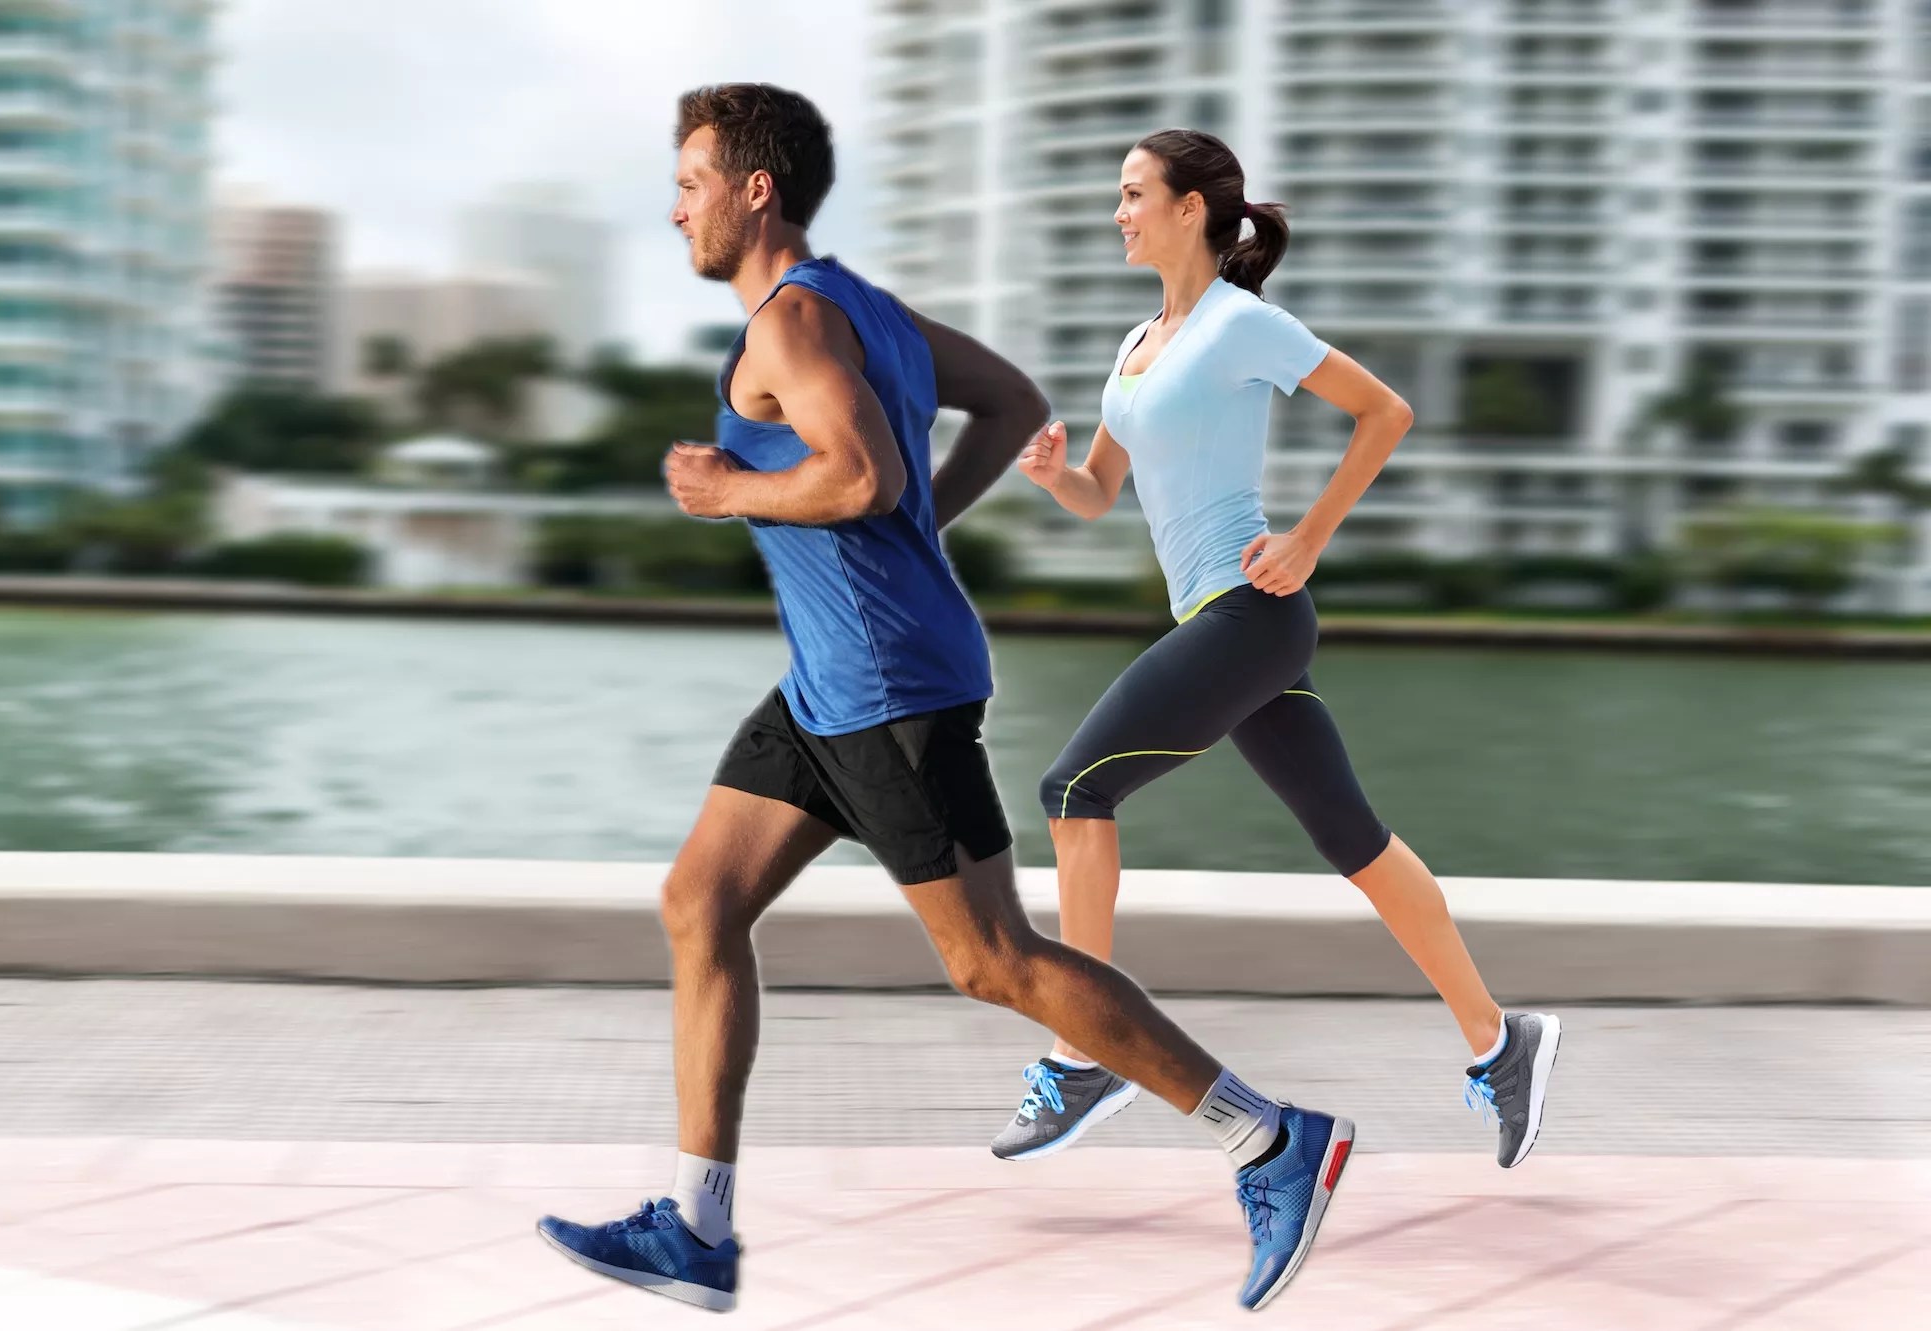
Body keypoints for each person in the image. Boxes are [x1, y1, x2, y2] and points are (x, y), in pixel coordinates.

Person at [535, 86, 1353, 1316]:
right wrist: (923, 527)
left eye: (692, 181)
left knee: (993, 960)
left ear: (755, 190)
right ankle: (697, 1226)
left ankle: (1269, 1135)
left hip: (886, 688)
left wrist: (729, 494)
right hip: (831, 681)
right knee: (698, 900)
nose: (677, 206)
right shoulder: (860, 304)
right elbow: (1016, 403)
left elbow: (857, 474)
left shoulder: (792, 324)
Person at [990, 129, 1562, 1172]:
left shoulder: (1239, 324)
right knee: (1356, 841)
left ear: (1190, 208)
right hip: (1219, 625)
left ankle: (1083, 1053)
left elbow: (1382, 412)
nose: (1116, 211)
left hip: (1247, 615)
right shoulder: (1137, 341)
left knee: (1073, 791)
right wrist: (1054, 476)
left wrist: (1306, 536)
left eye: (1131, 194)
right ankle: (1499, 1039)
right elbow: (1100, 494)